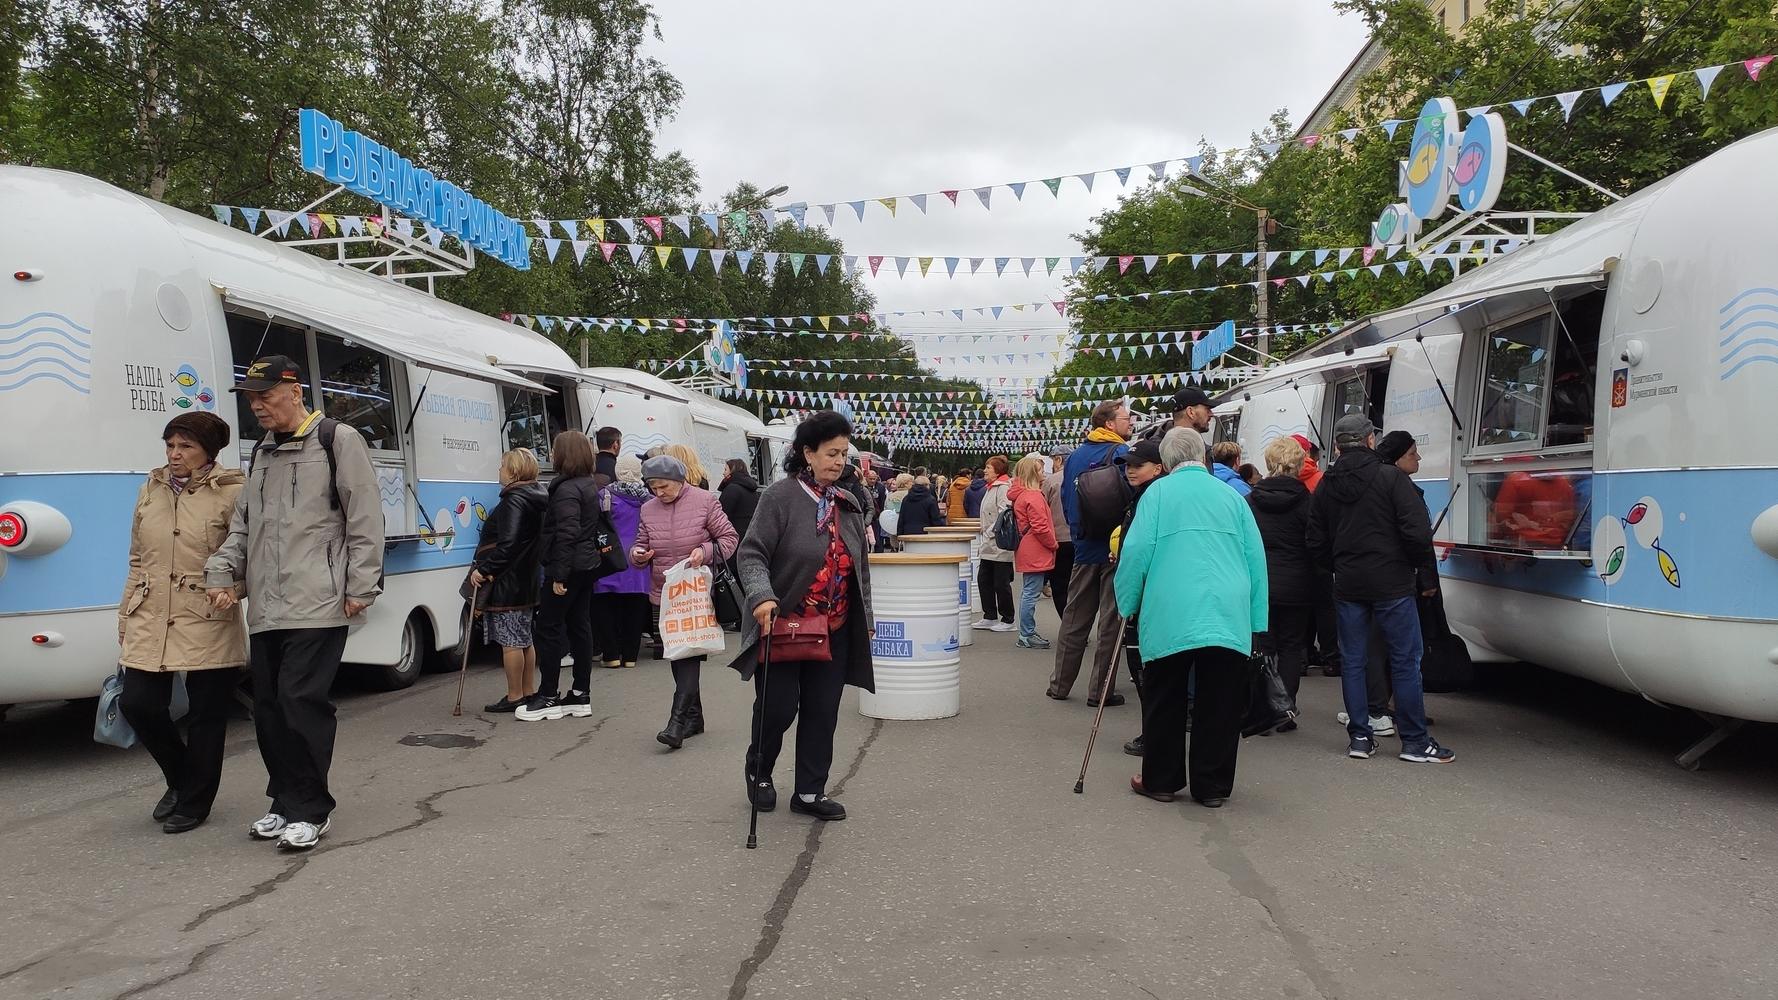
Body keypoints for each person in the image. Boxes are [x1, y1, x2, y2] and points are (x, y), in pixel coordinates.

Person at [205, 355, 384, 851]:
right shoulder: (262, 452)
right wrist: (224, 574)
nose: (257, 406)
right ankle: (283, 801)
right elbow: (244, 527)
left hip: (319, 601)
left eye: (265, 396)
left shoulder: (337, 439)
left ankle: (311, 808)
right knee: (267, 709)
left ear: (295, 391)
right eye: (252, 398)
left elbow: (365, 517)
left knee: (299, 702)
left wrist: (360, 586)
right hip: (266, 606)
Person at [731, 411, 874, 821]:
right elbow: (751, 551)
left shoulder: (847, 503)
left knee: (822, 708)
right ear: (807, 453)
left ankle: (810, 792)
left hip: (835, 628)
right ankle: (759, 770)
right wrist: (761, 596)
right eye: (831, 453)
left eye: (844, 454)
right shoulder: (779, 497)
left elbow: (858, 564)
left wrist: (867, 614)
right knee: (778, 708)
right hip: (785, 624)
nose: (839, 461)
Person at [1117, 428, 1267, 808]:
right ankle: (1211, 786)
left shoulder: (1158, 494)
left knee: (1165, 694)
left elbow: (1135, 551)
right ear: (1203, 457)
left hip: (1172, 606)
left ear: (1166, 462)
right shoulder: (1232, 496)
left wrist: (1127, 602)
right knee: (1220, 699)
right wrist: (1256, 618)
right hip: (1226, 608)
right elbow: (1256, 560)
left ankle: (1161, 780)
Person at [120, 412, 246, 834]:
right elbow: (138, 559)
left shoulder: (233, 493)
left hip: (207, 611)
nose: (175, 455)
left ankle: (195, 803)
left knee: (206, 715)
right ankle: (181, 779)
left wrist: (236, 589)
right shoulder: (150, 489)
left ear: (209, 451)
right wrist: (125, 616)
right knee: (136, 702)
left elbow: (252, 554)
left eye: (185, 447)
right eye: (170, 445)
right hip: (151, 612)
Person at [1308, 414, 1453, 764]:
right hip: (1392, 582)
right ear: (1369, 440)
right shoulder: (1391, 478)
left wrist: (1338, 565)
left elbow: (1315, 540)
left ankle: (1360, 736)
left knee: (1354, 661)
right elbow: (1417, 532)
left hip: (1348, 582)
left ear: (1340, 444)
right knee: (1405, 660)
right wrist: (1413, 566)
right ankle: (1415, 742)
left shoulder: (1327, 483)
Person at [632, 454, 739, 750]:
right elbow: (641, 543)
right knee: (677, 654)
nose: (659, 493)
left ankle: (676, 722)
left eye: (664, 486)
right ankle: (695, 717)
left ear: (681, 481)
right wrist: (639, 555)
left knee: (687, 654)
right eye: (653, 488)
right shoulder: (647, 509)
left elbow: (729, 539)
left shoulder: (705, 501)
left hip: (696, 592)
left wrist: (703, 552)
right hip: (664, 592)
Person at [1047, 400, 1133, 707]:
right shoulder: (1123, 454)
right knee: (1110, 621)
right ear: (1109, 424)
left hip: (1083, 544)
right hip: (1112, 546)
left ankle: (1060, 683)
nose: (1131, 422)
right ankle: (1100, 691)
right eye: (1126, 417)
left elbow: (1069, 499)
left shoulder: (1076, 455)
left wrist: (1078, 532)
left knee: (1075, 617)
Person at [516, 431, 603, 723]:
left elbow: (567, 533)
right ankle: (580, 693)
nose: (551, 454)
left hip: (567, 567)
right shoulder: (587, 484)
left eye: (554, 449)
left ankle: (548, 695)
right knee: (580, 625)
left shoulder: (565, 490)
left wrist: (559, 575)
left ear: (564, 454)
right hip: (587, 564)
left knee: (548, 628)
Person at [1247, 436, 1318, 729]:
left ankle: (1263, 707)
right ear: (1299, 464)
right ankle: (1285, 708)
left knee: (1263, 647)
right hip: (1298, 584)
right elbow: (1316, 543)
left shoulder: (1250, 501)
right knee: (1292, 647)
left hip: (1261, 584)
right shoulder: (1309, 502)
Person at [470, 448, 548, 712]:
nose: (499, 470)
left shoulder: (513, 500)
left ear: (513, 471)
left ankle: (515, 695)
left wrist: (486, 569)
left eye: (502, 465)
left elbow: (509, 543)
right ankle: (527, 691)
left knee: (510, 641)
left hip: (508, 580)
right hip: (526, 577)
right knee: (524, 637)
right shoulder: (536, 496)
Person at [1108, 438, 1167, 757]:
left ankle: (1154, 733)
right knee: (1147, 667)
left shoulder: (1150, 499)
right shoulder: (1145, 495)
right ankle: (1155, 730)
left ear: (1158, 468)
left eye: (1137, 465)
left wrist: (1127, 598)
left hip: (1147, 594)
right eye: (1128, 465)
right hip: (1152, 591)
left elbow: (1140, 550)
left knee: (1145, 664)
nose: (1130, 470)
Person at [592, 454, 653, 669]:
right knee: (635, 611)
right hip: (638, 560)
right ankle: (630, 657)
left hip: (608, 557)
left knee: (606, 610)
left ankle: (611, 655)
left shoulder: (604, 495)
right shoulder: (649, 499)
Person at [1005, 455, 1057, 648]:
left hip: (1027, 547)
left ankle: (1026, 632)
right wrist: (1053, 544)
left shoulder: (1020, 495)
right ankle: (1027, 633)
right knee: (1031, 592)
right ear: (1033, 473)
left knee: (1029, 591)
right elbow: (1041, 526)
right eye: (1041, 470)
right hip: (1036, 548)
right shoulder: (1033, 496)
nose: (1044, 472)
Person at [973, 456, 1017, 632]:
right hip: (989, 543)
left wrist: (990, 531)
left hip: (998, 543)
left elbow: (1003, 514)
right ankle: (989, 615)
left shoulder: (1003, 488)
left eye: (988, 468)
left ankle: (1008, 619)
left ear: (998, 471)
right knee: (984, 580)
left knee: (1001, 582)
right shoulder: (991, 488)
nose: (985, 470)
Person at [1043, 447, 1074, 619]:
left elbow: (1043, 507)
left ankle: (1068, 623)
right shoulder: (1080, 477)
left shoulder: (1051, 481)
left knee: (1060, 584)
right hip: (1079, 537)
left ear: (1059, 460)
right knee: (1078, 585)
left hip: (1058, 538)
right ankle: (1080, 626)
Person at [718, 458, 760, 542]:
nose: (723, 473)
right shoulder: (752, 490)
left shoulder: (732, 489)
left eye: (726, 469)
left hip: (733, 540)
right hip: (749, 538)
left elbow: (721, 516)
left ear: (732, 471)